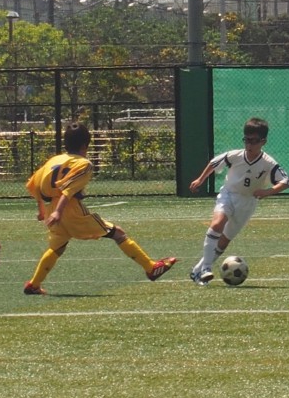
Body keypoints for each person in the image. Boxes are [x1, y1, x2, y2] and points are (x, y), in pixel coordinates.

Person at [23, 122, 177, 294]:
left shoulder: (54, 160)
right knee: (118, 233)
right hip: (69, 210)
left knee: (57, 247)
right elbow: (67, 190)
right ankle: (151, 268)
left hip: (51, 208)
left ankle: (34, 284)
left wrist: (42, 210)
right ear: (85, 145)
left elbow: (35, 184)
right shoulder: (84, 164)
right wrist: (59, 211)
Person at [187, 116, 289, 285]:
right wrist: (200, 179)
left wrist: (267, 192)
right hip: (228, 194)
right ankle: (206, 268)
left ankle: (197, 271)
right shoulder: (235, 155)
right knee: (217, 224)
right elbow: (214, 163)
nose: (249, 145)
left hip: (247, 203)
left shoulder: (268, 163)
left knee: (223, 241)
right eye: (246, 140)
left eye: (254, 141)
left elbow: (287, 181)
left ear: (263, 142)